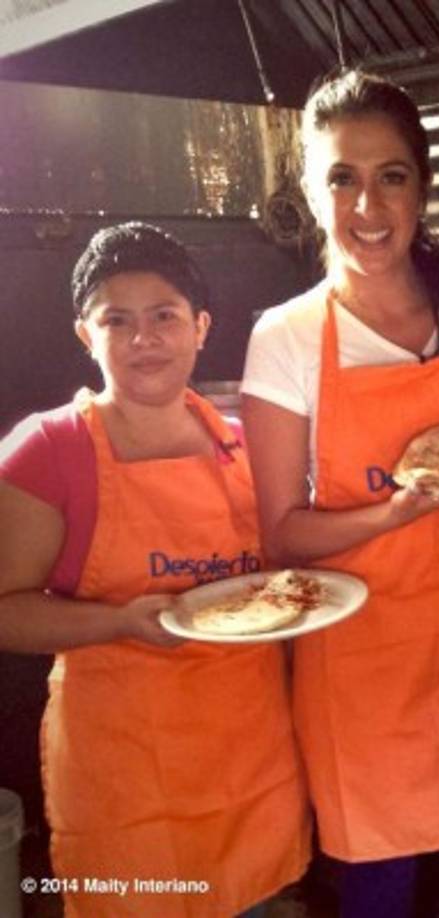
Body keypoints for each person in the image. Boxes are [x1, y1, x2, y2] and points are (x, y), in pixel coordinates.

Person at [241, 70, 439, 918]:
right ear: (312, 192)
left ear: (423, 186)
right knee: (379, 896)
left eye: (391, 175)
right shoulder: (288, 338)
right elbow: (282, 533)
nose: (367, 204)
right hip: (363, 673)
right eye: (341, 177)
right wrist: (396, 510)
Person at [0, 223, 310, 917]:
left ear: (201, 326)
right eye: (118, 320)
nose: (144, 339)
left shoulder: (241, 446)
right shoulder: (46, 451)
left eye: (164, 316)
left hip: (250, 766)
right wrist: (119, 621)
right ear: (86, 333)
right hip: (131, 788)